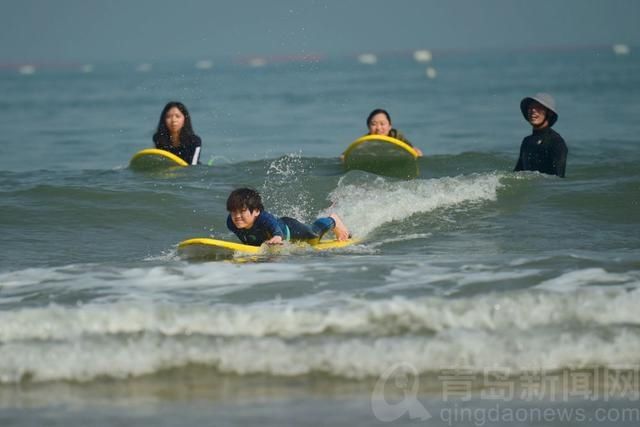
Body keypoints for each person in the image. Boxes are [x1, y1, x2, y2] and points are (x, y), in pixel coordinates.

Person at [226, 188, 350, 246]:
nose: (237, 216)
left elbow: (275, 229)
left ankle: (333, 220)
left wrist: (277, 237)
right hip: (280, 228)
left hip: (291, 228)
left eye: (242, 212)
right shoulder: (231, 223)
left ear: (257, 211)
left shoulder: (264, 218)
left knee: (314, 235)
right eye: (233, 212)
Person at [514, 93, 568, 178]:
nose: (533, 111)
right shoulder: (527, 141)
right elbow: (517, 174)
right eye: (530, 108)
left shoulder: (556, 142)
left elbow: (559, 178)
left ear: (549, 113)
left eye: (538, 107)